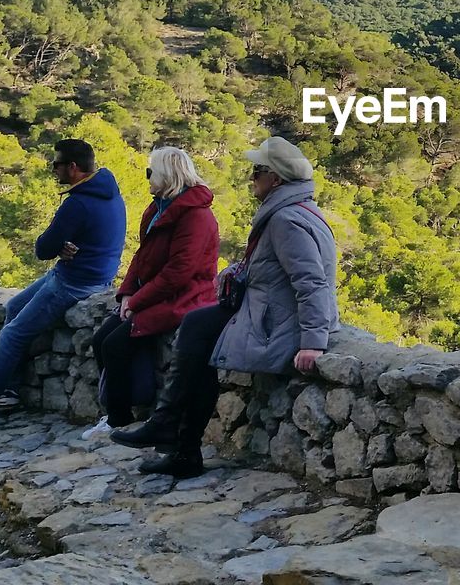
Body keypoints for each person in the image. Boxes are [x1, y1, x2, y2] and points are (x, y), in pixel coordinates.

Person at [112, 135, 337, 478]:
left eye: (257, 171)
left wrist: (313, 342)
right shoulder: (291, 209)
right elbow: (275, 268)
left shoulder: (284, 219)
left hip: (277, 323)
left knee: (197, 334)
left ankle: (171, 431)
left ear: (276, 178)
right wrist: (238, 270)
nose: (251, 178)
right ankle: (177, 440)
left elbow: (311, 282)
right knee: (198, 332)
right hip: (268, 310)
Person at [0, 139, 126, 428]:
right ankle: (10, 390)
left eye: (57, 164)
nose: (53, 170)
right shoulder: (108, 192)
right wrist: (63, 246)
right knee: (13, 307)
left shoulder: (77, 203)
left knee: (13, 334)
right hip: (90, 274)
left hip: (76, 282)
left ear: (73, 167)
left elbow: (43, 249)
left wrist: (58, 245)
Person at [82, 147, 219, 439]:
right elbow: (142, 257)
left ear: (167, 175)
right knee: (101, 339)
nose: (146, 179)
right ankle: (125, 406)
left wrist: (138, 302)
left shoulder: (195, 217)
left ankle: (118, 418)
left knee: (115, 344)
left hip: (184, 297)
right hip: (155, 294)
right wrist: (127, 294)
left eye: (150, 172)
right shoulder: (158, 209)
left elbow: (179, 273)